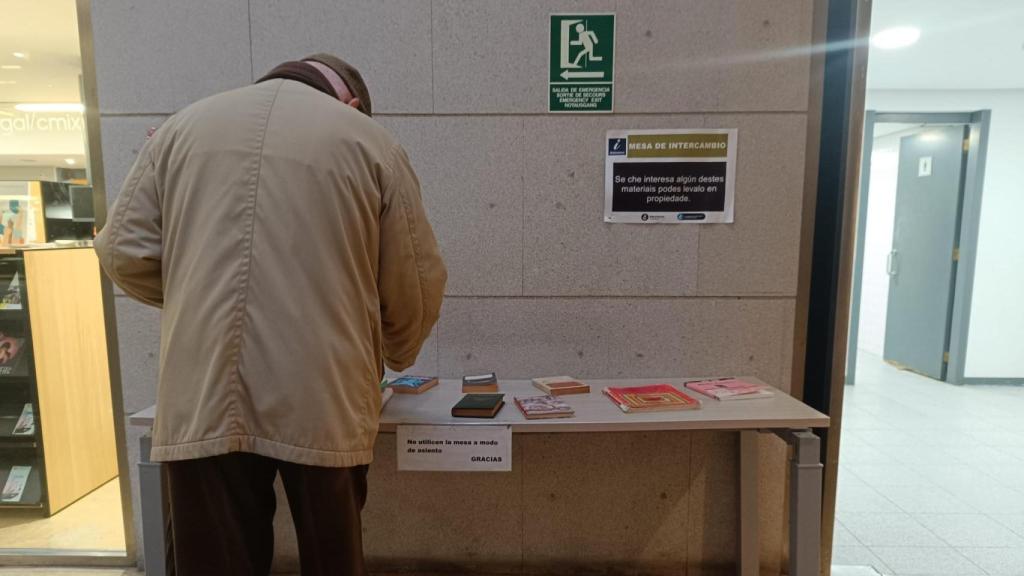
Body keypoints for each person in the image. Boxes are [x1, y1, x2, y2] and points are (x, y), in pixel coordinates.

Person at [95, 53, 446, 576]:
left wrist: (196, 298)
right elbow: (415, 281)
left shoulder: (182, 128)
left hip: (204, 389)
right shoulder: (370, 143)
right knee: (332, 560)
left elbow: (121, 252)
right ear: (352, 104)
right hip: (323, 391)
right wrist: (397, 348)